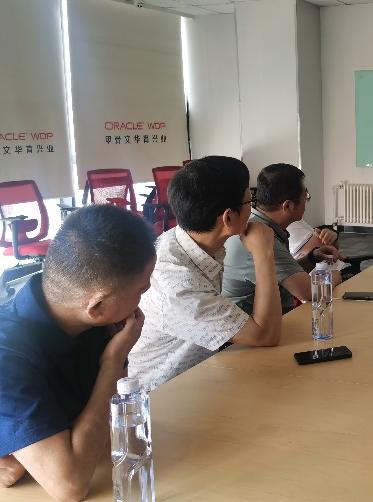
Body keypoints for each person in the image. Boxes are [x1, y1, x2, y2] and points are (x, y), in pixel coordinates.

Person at [0, 206, 155, 499]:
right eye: (140, 291)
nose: (142, 300)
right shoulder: (7, 357)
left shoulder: (97, 323)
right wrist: (112, 361)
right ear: (97, 306)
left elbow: (110, 431)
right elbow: (69, 486)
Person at [128, 156, 282, 391]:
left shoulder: (185, 240)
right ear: (228, 217)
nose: (253, 208)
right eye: (250, 199)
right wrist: (264, 253)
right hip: (164, 397)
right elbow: (266, 335)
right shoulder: (178, 283)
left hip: (202, 375)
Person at [223, 164, 341, 314]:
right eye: (305, 196)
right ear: (288, 206)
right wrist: (334, 276)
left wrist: (312, 258)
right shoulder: (261, 236)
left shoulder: (260, 224)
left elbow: (282, 274)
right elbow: (309, 292)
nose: (306, 202)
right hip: (254, 322)